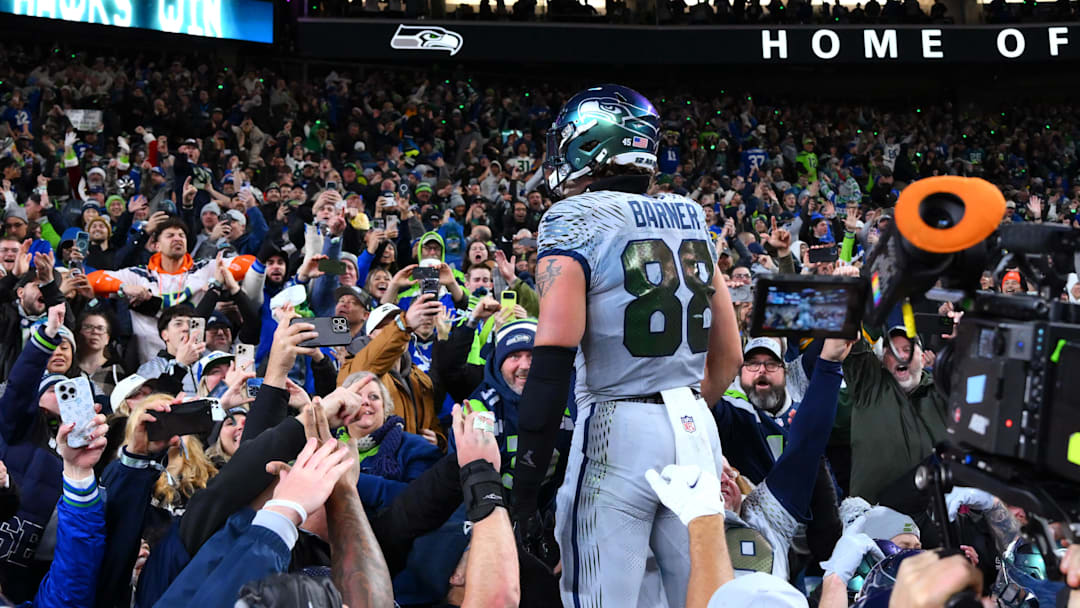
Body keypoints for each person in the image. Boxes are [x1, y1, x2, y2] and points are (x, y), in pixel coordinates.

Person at [510, 84, 743, 608]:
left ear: (587, 145)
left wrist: (524, 490)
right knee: (705, 597)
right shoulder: (689, 215)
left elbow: (551, 364)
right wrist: (681, 416)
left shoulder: (576, 217)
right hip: (693, 426)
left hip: (617, 428)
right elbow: (728, 356)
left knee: (600, 598)